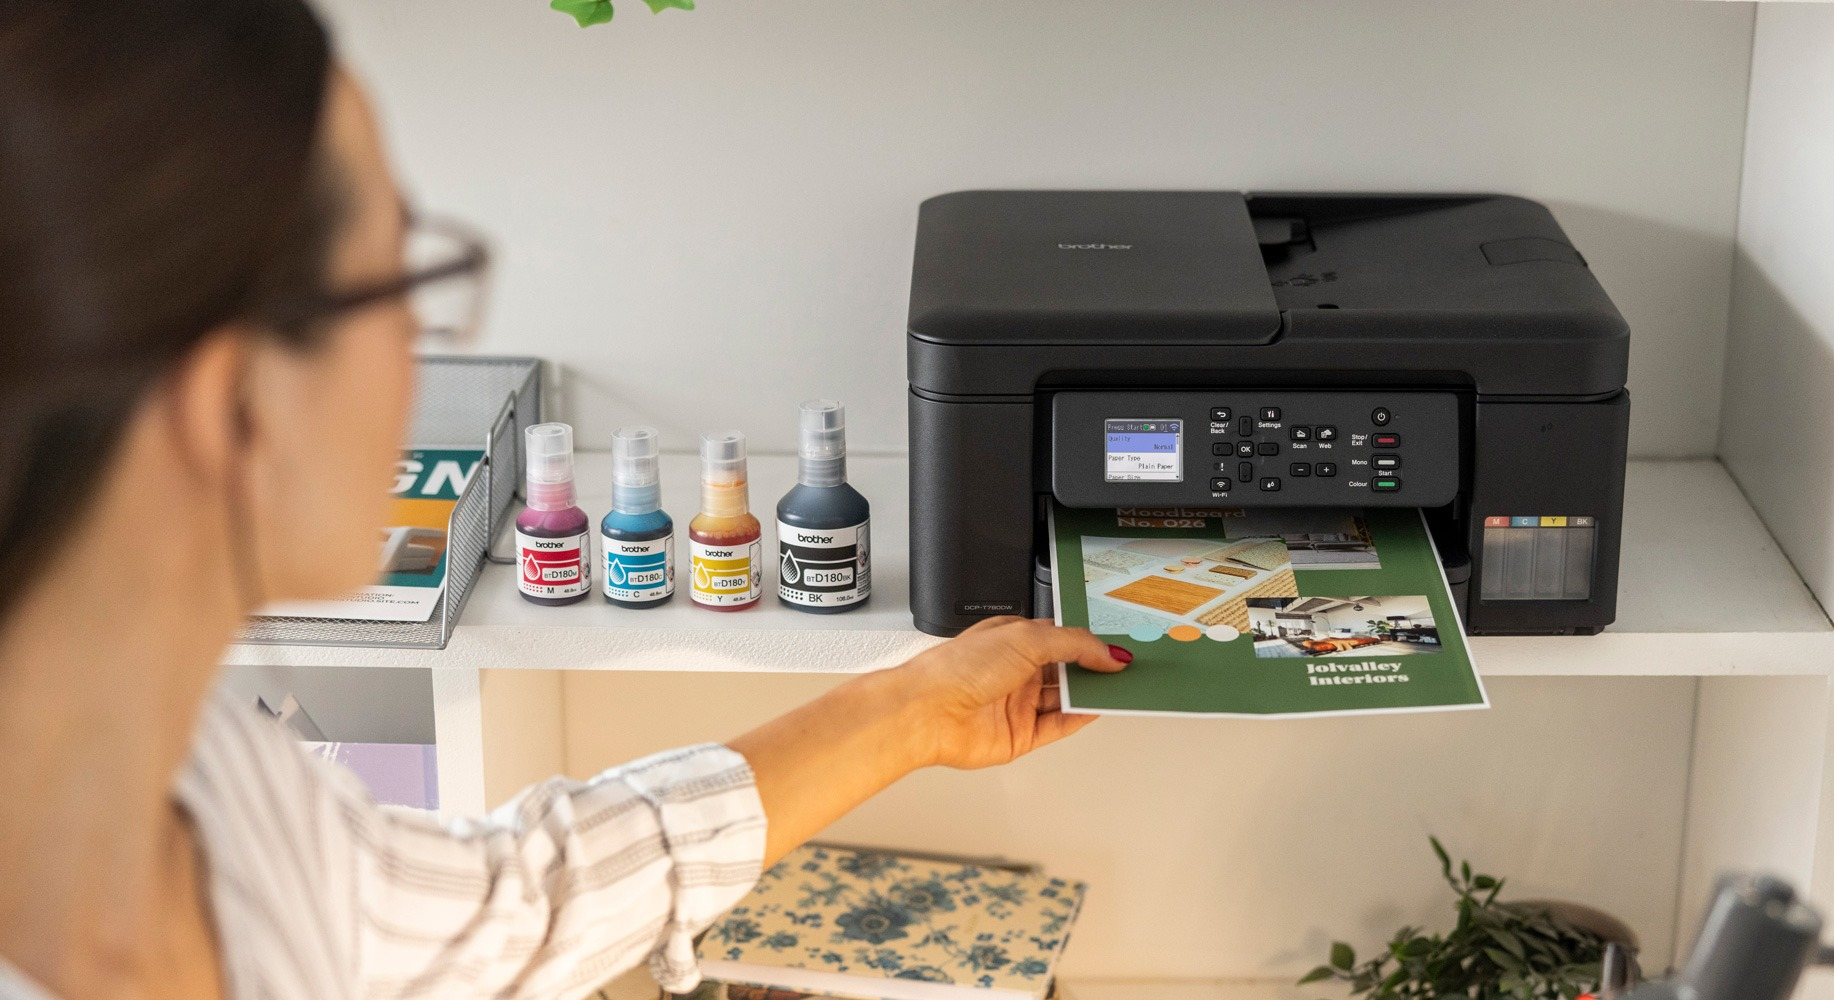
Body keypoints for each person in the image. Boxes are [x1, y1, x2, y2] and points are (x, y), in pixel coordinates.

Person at [0, 3, 1131, 998]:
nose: (426, 348)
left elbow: (521, 903)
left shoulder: (226, 809)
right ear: (234, 402)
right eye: (402, 281)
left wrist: (916, 708)